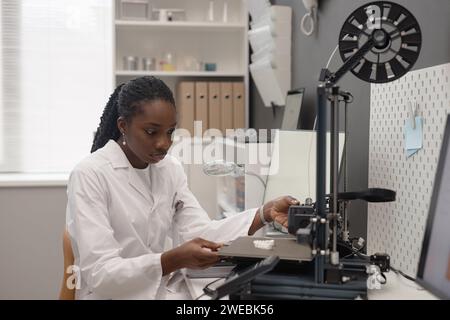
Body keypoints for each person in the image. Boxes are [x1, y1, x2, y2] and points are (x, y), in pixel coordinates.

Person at [65, 76, 299, 299]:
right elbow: (101, 273)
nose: (163, 144)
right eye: (151, 132)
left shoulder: (169, 169)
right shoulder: (90, 174)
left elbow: (202, 233)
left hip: (159, 289)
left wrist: (264, 213)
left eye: (170, 132)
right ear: (123, 126)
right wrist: (171, 260)